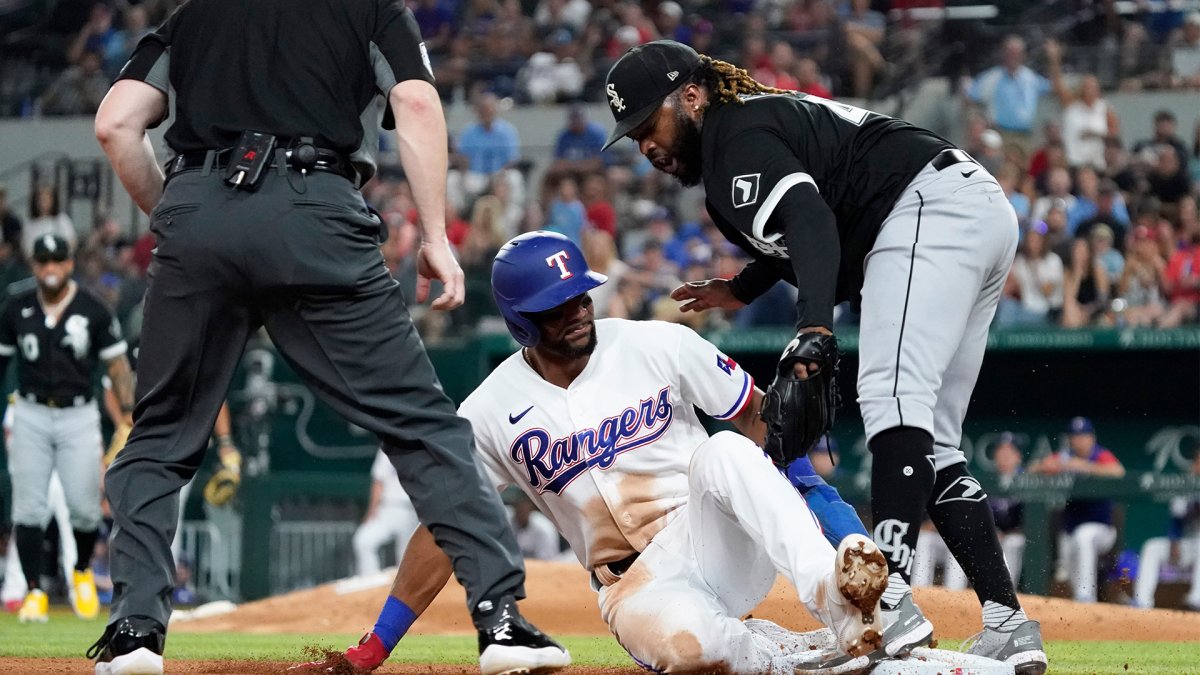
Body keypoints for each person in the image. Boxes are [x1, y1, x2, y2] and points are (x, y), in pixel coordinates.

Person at [89, 1, 565, 673]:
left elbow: (114, 125)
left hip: (196, 204)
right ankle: (502, 622)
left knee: (158, 437)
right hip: (313, 207)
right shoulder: (371, 8)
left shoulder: (191, 14)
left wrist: (184, 216)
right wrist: (434, 236)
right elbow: (419, 105)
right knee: (422, 427)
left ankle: (136, 633)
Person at [601, 40, 1046, 674]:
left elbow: (811, 222)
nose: (645, 145)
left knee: (892, 404)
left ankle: (884, 604)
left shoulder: (733, 141)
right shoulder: (745, 129)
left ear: (692, 96)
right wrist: (745, 286)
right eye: (634, 135)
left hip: (924, 208)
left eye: (649, 124)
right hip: (968, 208)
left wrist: (813, 328)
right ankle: (1007, 623)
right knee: (933, 440)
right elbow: (817, 227)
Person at [295, 231, 892, 674]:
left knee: (727, 453)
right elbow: (444, 530)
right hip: (633, 587)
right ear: (519, 320)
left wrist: (818, 496)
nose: (578, 309)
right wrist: (375, 648)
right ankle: (775, 655)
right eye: (558, 305)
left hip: (713, 534)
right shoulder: (489, 410)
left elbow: (758, 421)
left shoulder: (656, 342)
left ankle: (836, 601)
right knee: (696, 655)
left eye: (580, 294)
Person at [0, 234, 135, 624]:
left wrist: (128, 414)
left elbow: (117, 367)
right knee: (27, 507)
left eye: (57, 260)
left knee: (84, 507)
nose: (50, 269)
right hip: (30, 411)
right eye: (43, 261)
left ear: (70, 264)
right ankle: (34, 591)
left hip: (78, 415)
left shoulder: (92, 309)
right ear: (34, 265)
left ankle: (80, 574)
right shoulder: (16, 307)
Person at [1030, 417, 1126, 603]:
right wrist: (1046, 466)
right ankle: (1083, 603)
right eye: (1075, 436)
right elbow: (1031, 469)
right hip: (1070, 528)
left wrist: (1085, 466)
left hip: (1102, 529)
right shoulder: (1065, 457)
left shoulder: (1099, 455)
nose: (1079, 440)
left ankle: (1086, 596)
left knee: (1085, 535)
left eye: (1083, 435)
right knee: (1067, 557)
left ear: (1092, 438)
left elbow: (1118, 472)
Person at [1133, 451, 1200, 610]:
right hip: (1190, 546)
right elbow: (1177, 517)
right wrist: (1174, 539)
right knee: (1152, 547)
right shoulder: (1186, 486)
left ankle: (1197, 598)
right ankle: (1142, 602)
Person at [353, 449, 419, 576]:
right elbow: (378, 481)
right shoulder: (387, 448)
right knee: (363, 540)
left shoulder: (421, 447)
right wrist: (372, 511)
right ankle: (370, 581)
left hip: (412, 510)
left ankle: (403, 592)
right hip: (387, 507)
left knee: (406, 559)